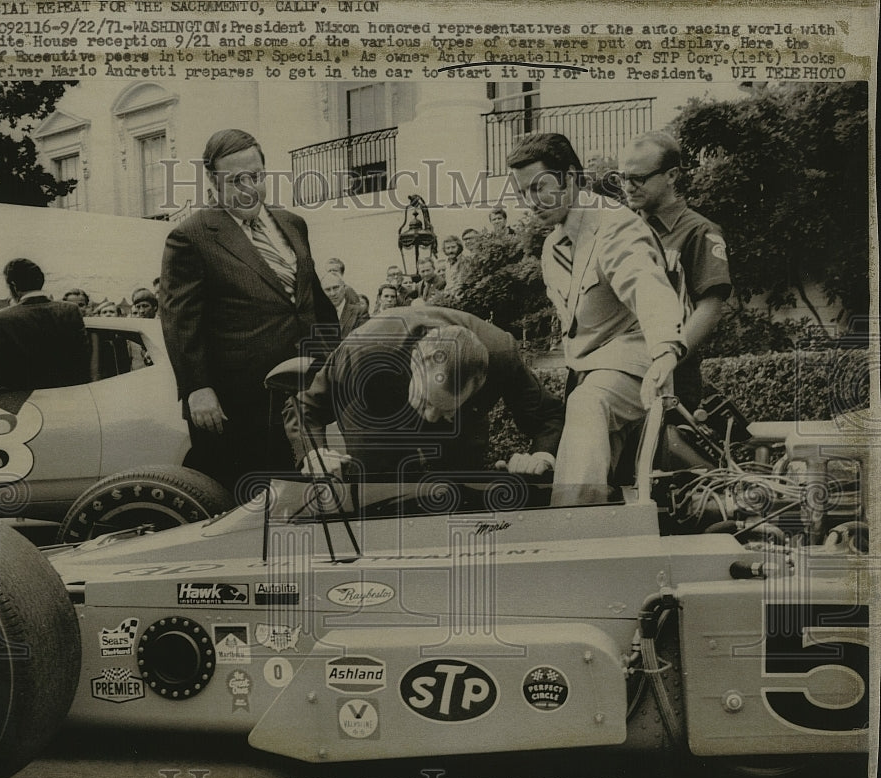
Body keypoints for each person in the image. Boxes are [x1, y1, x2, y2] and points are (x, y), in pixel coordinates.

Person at [507, 132, 687, 503]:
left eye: (541, 188)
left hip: (638, 369)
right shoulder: (551, 247)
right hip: (591, 376)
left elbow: (647, 287)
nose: (532, 202)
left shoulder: (614, 224)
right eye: (524, 193)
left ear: (571, 177)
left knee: (587, 404)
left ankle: (574, 538)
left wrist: (667, 349)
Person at [159, 128, 338, 498]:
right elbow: (180, 319)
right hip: (239, 406)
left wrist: (335, 361)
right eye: (235, 179)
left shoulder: (292, 224)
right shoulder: (191, 237)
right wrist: (197, 388)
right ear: (212, 180)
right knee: (252, 511)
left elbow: (313, 301)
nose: (248, 188)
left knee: (311, 498)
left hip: (303, 393)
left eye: (256, 176)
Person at [283, 306, 564, 479]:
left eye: (446, 408)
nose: (431, 417)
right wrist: (313, 454)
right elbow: (303, 406)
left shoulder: (502, 355)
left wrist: (541, 457)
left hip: (460, 436)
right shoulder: (365, 352)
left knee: (461, 490)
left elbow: (548, 416)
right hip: (379, 411)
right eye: (427, 401)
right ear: (415, 362)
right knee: (379, 495)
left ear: (481, 383)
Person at [622, 131, 732, 410]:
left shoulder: (699, 231)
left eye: (639, 178)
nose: (628, 187)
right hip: (622, 370)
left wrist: (667, 358)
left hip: (672, 377)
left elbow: (709, 309)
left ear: (671, 176)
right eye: (623, 178)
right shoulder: (620, 233)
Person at [0, 258, 90, 412]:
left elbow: (0, 372)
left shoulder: (2, 318)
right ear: (40, 281)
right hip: (69, 403)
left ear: (14, 286)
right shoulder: (70, 310)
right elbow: (82, 361)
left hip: (27, 408)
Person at [320, 259, 369, 339]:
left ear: (344, 288)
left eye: (336, 288)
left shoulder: (360, 312)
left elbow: (363, 341)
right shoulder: (320, 314)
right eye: (328, 290)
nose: (332, 293)